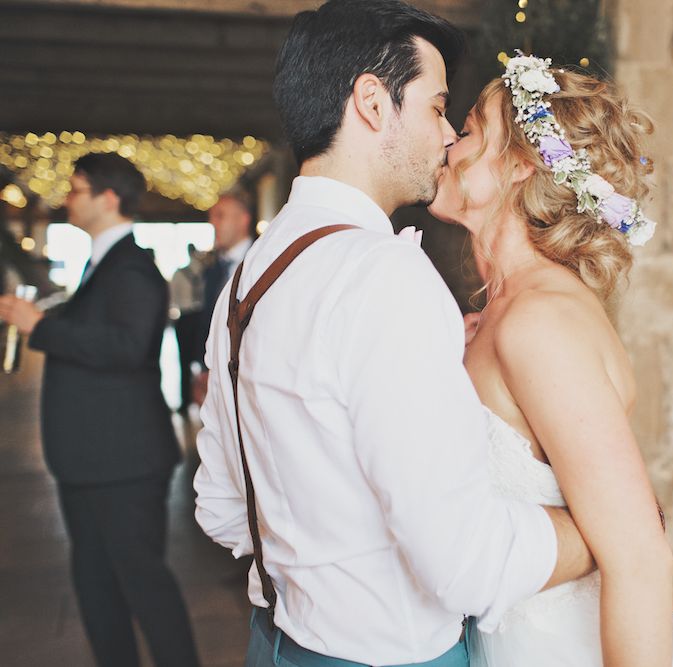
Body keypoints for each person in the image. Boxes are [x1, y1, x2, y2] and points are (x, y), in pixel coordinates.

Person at [193, 3, 594, 667]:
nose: (444, 136)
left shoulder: (251, 275)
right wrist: (591, 533)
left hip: (273, 644)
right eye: (436, 108)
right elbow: (465, 564)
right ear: (373, 103)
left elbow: (220, 508)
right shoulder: (384, 278)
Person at [428, 55, 673, 666]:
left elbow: (641, 556)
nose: (450, 145)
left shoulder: (541, 321)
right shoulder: (507, 311)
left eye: (471, 129)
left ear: (520, 164)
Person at [0, 153, 200, 667]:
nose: (68, 199)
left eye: (76, 189)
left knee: (144, 587)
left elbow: (128, 348)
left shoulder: (133, 268)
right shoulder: (102, 265)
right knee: (95, 589)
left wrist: (39, 328)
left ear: (108, 198)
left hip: (124, 464)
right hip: (93, 461)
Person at [191, 189, 253, 404]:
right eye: (211, 217)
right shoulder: (213, 269)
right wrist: (203, 368)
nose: (213, 223)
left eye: (220, 216)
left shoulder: (262, 262)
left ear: (243, 219)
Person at [169, 243, 206, 413]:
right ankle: (203, 398)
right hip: (201, 317)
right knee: (203, 359)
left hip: (185, 318)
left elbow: (172, 298)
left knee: (184, 361)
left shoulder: (179, 274)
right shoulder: (205, 272)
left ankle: (185, 401)